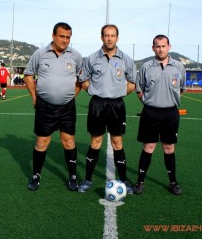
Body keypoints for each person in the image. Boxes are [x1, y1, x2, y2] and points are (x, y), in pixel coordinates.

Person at [78, 24, 137, 194]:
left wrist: (117, 92)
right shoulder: (91, 58)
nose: (109, 38)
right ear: (101, 37)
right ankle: (87, 180)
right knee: (95, 141)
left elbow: (133, 83)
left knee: (117, 142)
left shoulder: (126, 59)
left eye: (112, 35)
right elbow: (83, 80)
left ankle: (124, 181)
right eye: (106, 35)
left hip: (116, 105)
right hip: (97, 104)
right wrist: (94, 91)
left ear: (117, 37)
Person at [24, 22, 83, 192]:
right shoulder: (40, 54)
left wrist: (72, 96)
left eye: (68, 37)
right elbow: (28, 75)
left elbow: (81, 78)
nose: (65, 40)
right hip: (45, 107)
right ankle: (36, 176)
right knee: (42, 141)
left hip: (67, 108)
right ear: (53, 36)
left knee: (69, 142)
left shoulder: (76, 56)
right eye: (62, 36)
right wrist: (34, 97)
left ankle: (72, 177)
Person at [133, 34, 186, 195]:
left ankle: (173, 182)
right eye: (157, 46)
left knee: (169, 147)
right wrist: (149, 103)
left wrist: (169, 101)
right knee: (148, 147)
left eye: (163, 46)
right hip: (150, 112)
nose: (160, 49)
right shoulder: (146, 67)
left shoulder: (178, 67)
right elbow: (139, 89)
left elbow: (181, 89)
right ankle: (140, 181)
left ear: (169, 47)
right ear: (153, 48)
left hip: (170, 112)